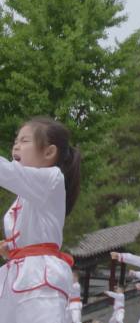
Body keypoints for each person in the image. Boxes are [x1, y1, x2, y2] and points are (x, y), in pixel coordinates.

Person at [0, 117, 81, 323]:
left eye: (24, 141)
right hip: (19, 273)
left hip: (39, 276)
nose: (16, 146)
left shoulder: (52, 178)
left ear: (48, 152)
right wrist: (15, 250)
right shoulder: (25, 195)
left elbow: (7, 173)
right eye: (15, 141)